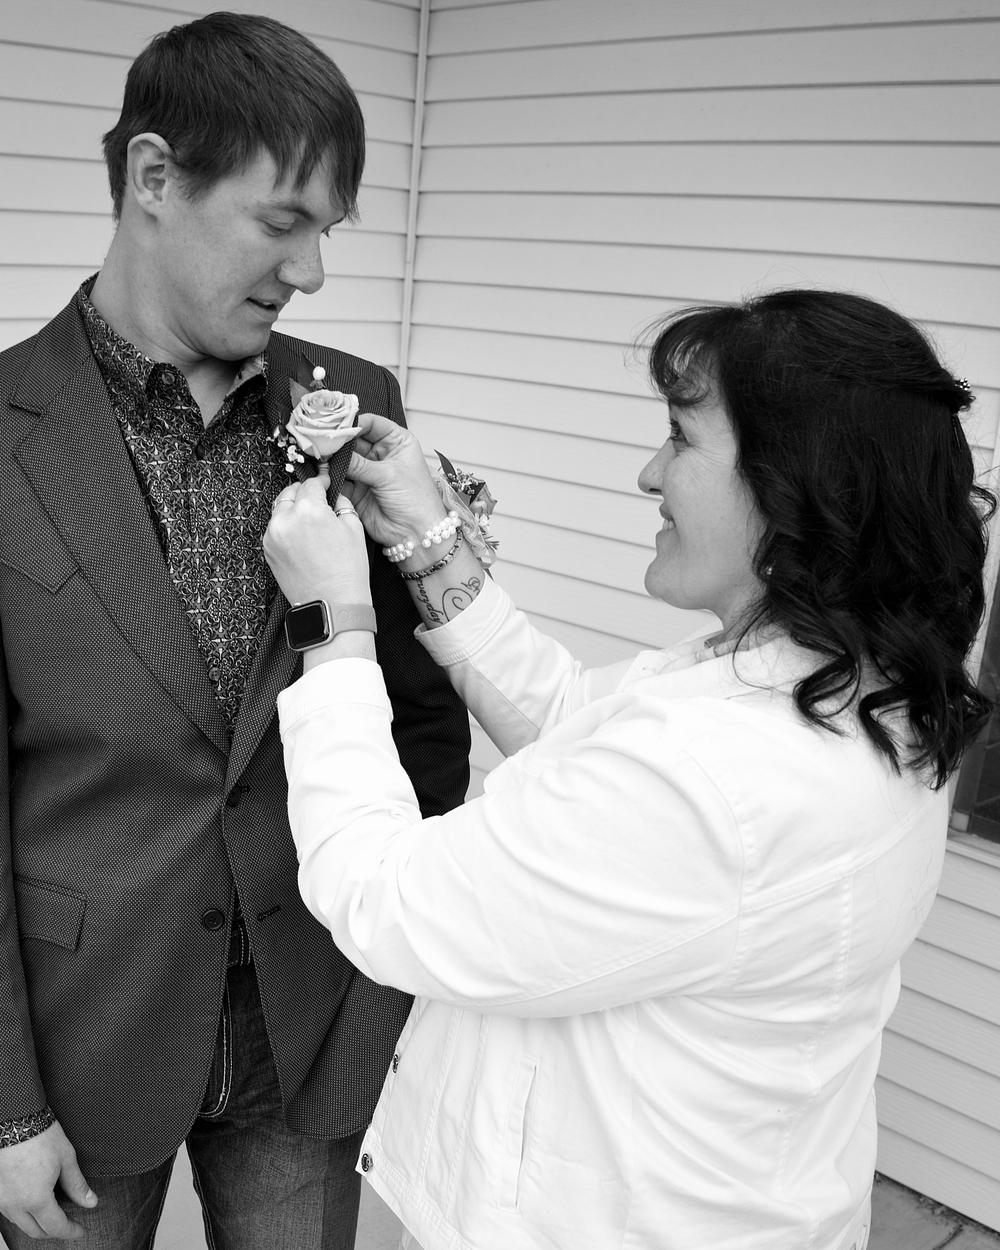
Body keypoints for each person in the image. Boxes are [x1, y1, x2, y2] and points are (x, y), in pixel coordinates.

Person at [262, 288, 994, 1250]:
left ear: (800, 489)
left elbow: (382, 897)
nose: (650, 473)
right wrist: (424, 537)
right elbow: (575, 724)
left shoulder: (725, 773)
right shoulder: (852, 682)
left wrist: (332, 621)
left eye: (682, 439)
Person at [0, 12, 470, 1249]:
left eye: (328, 233)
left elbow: (418, 719)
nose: (308, 271)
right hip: (83, 1037)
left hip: (311, 1024)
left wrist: (398, 977)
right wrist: (4, 1106)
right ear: (155, 177)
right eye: (282, 222)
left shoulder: (353, 402)